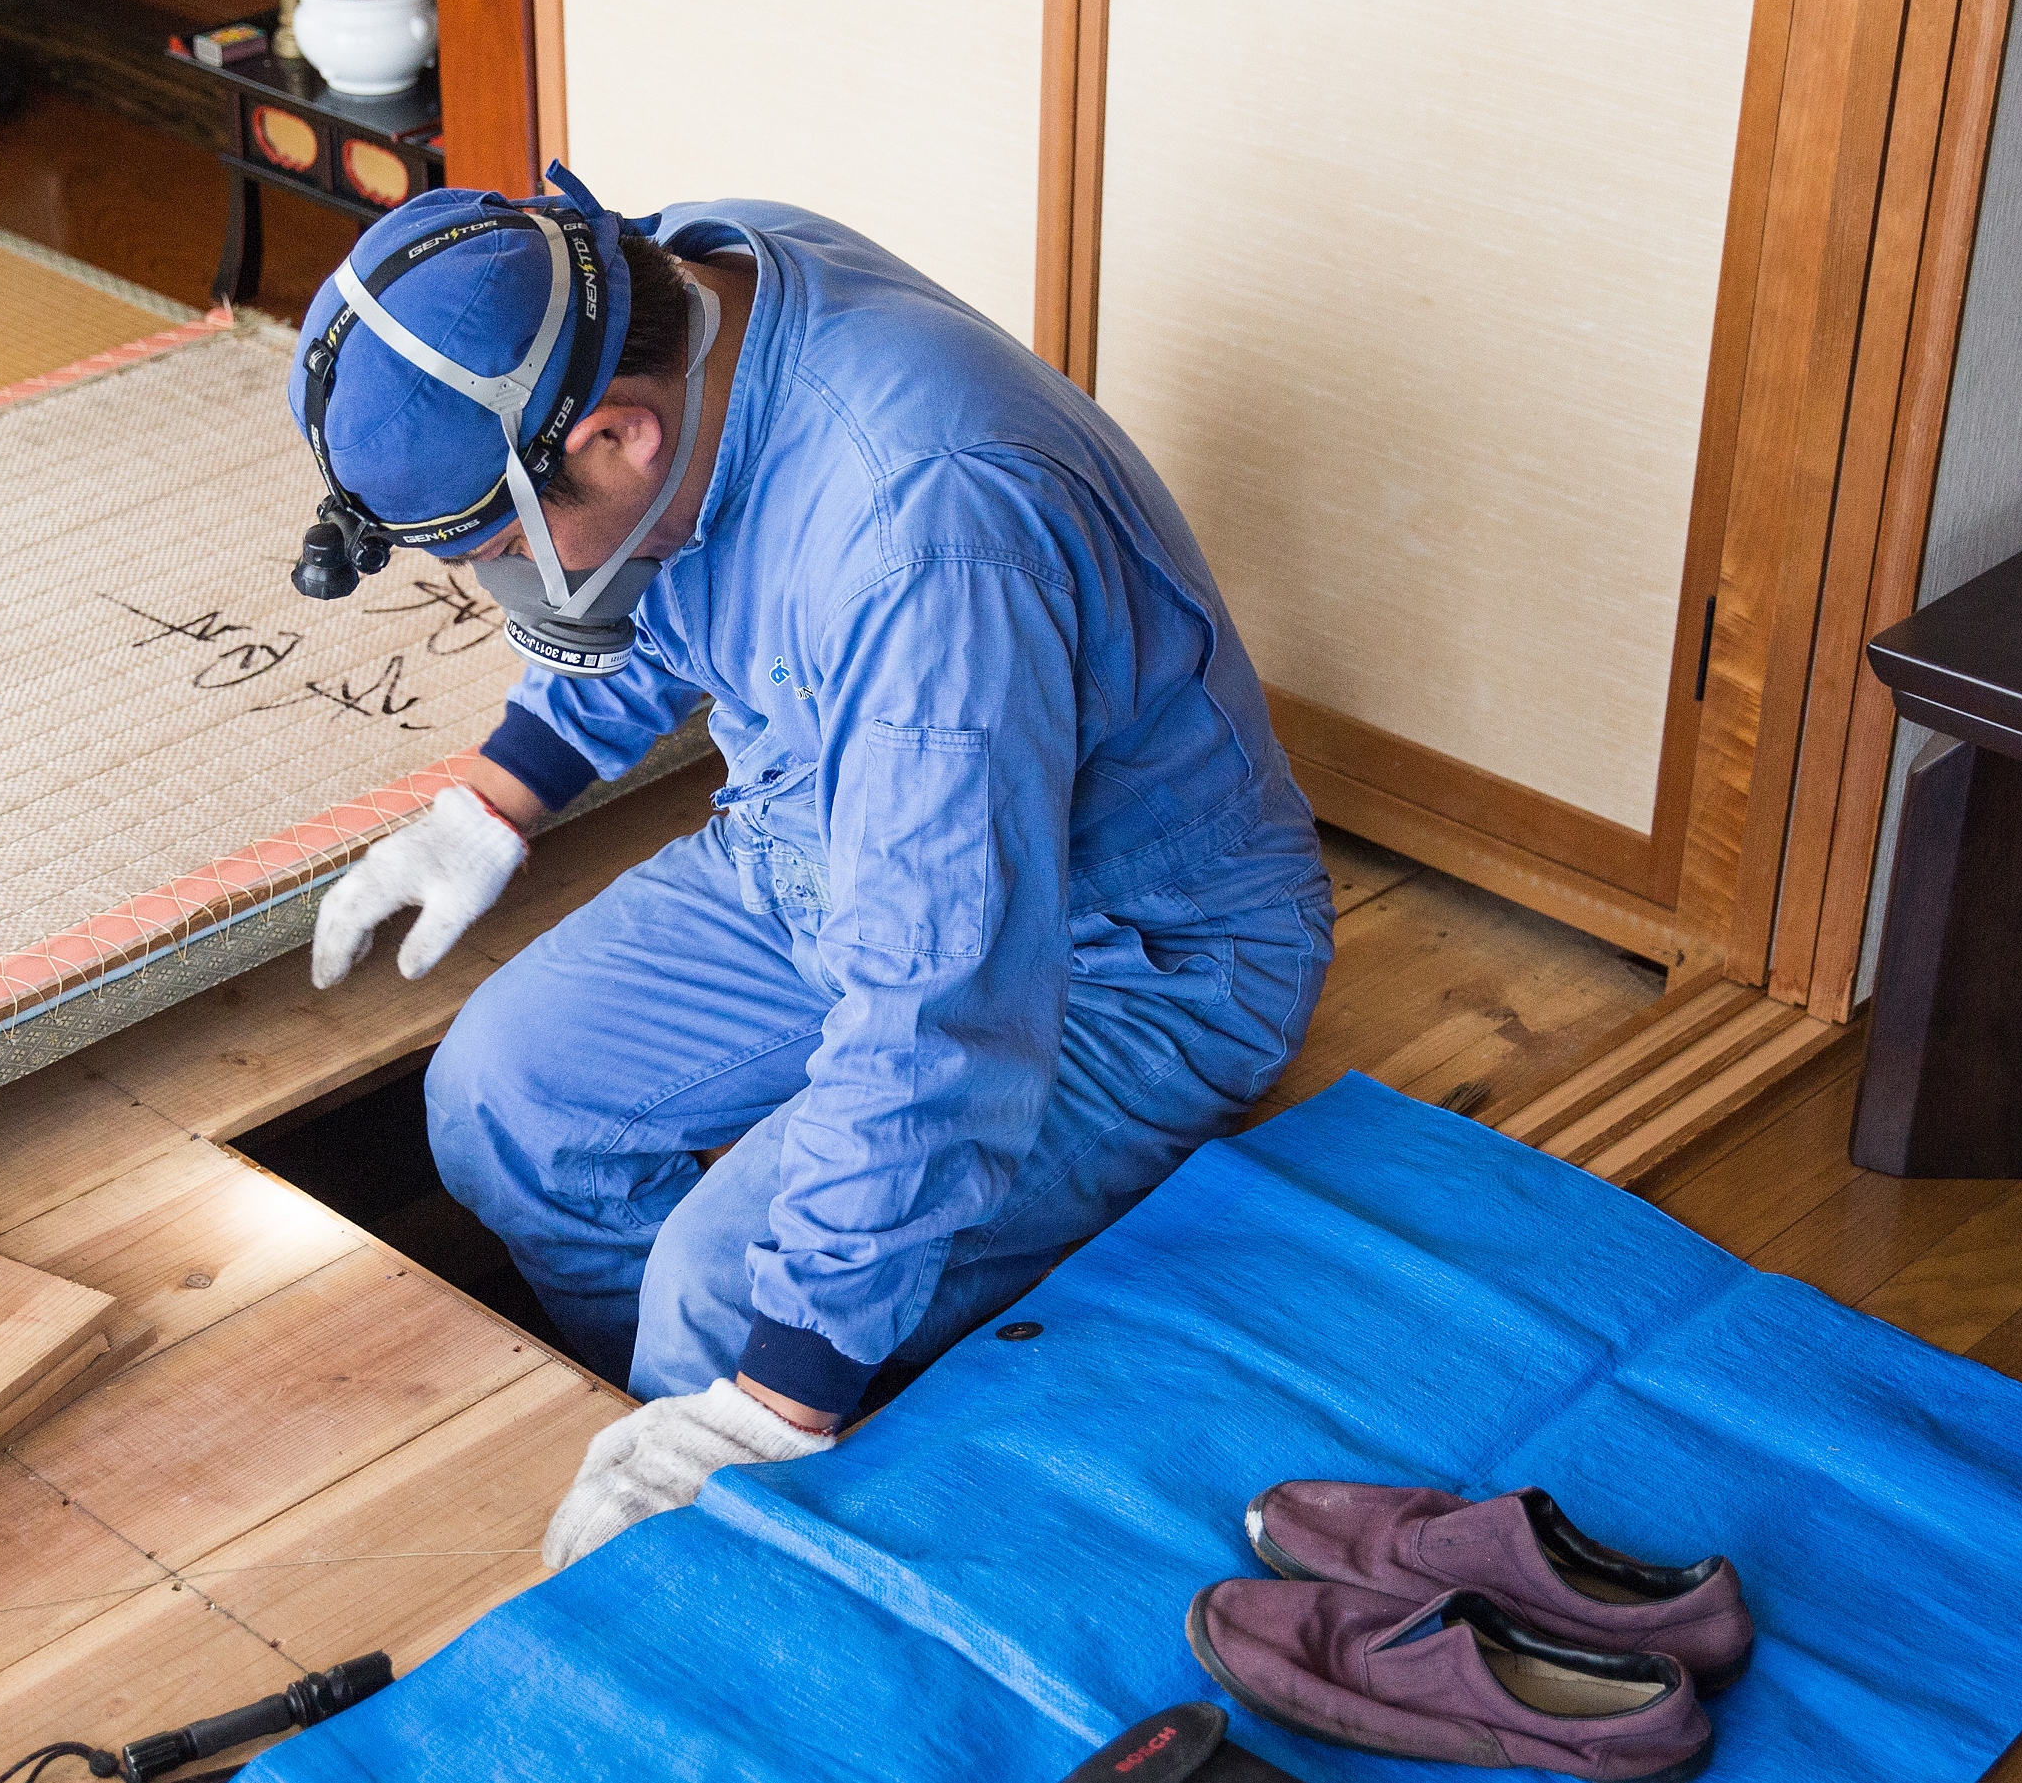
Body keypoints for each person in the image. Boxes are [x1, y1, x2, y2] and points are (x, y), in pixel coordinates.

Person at [289, 169, 1332, 1571]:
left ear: (615, 436)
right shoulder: (686, 294)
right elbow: (653, 577)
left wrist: (772, 1389)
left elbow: (942, 994)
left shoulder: (926, 541)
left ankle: (745, 1510)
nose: (501, 585)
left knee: (724, 1292)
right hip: (824, 828)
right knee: (501, 1099)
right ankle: (676, 1436)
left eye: (489, 549)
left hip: (1121, 947)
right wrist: (497, 795)